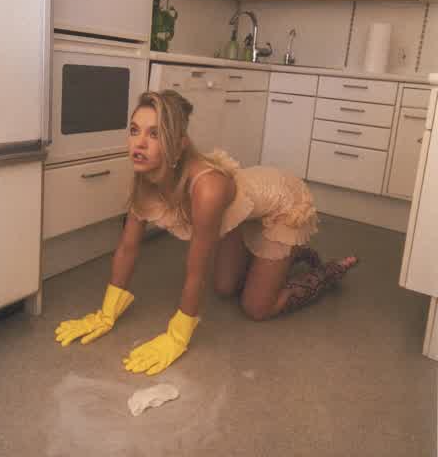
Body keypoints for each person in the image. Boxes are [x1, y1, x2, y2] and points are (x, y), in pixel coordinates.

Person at [55, 90, 357, 375]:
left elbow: (196, 269)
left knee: (256, 307)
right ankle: (281, 258)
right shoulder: (146, 175)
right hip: (243, 213)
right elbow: (128, 247)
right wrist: (106, 313)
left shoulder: (207, 189)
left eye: (155, 134)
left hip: (283, 203)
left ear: (179, 144)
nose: (139, 143)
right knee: (224, 288)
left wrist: (178, 334)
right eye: (135, 130)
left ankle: (326, 272)